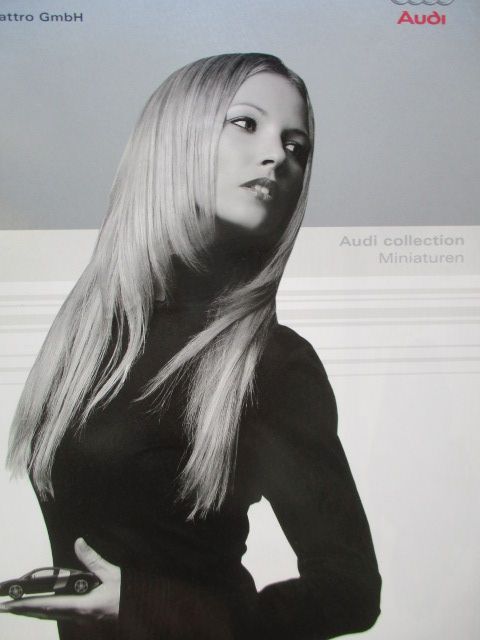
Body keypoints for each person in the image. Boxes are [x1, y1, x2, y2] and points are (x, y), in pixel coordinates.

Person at [3, 53, 381, 639]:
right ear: (174, 137)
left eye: (297, 145)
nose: (278, 156)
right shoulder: (89, 337)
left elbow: (350, 592)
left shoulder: (272, 364)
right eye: (246, 123)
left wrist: (145, 605)